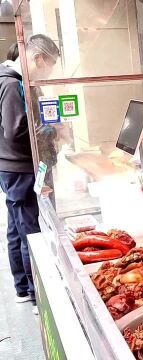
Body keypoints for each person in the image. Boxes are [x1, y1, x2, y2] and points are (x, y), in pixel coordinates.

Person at [0, 34, 60, 315]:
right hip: (20, 167)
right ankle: (38, 294)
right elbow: (15, 130)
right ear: (38, 59)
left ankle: (23, 288)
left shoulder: (12, 81)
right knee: (29, 230)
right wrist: (49, 131)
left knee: (16, 227)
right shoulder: (12, 85)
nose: (47, 72)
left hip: (12, 167)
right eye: (48, 65)